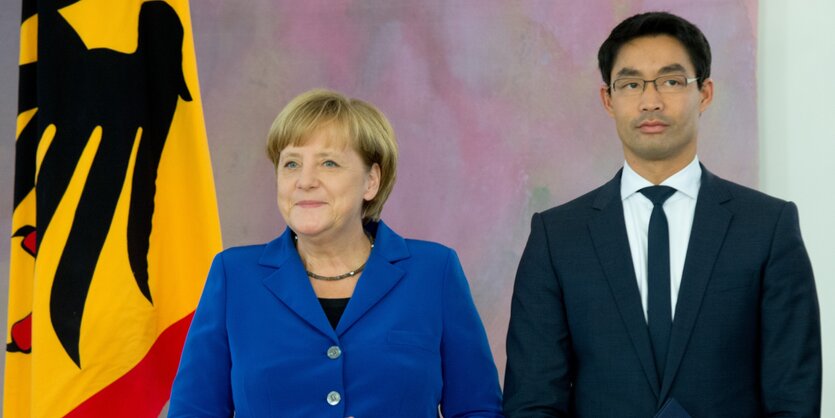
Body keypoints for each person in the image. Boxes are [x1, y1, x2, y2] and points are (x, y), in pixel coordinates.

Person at [503, 11, 821, 417]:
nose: (650, 100)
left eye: (671, 81)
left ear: (705, 93)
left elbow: (794, 395)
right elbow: (533, 400)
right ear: (608, 99)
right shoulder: (558, 237)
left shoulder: (767, 227)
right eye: (631, 84)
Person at [169, 89, 503, 417]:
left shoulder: (434, 272)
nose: (305, 181)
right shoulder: (234, 275)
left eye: (329, 163)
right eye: (291, 164)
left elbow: (478, 410)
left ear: (371, 181)